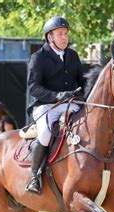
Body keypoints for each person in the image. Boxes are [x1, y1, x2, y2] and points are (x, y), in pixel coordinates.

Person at [25, 16, 86, 194]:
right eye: (60, 34)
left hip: (71, 104)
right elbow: (33, 87)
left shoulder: (72, 55)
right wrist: (57, 96)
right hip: (46, 106)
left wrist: (86, 90)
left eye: (66, 33)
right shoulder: (38, 57)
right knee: (44, 134)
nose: (64, 37)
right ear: (49, 37)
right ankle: (34, 176)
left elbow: (81, 79)